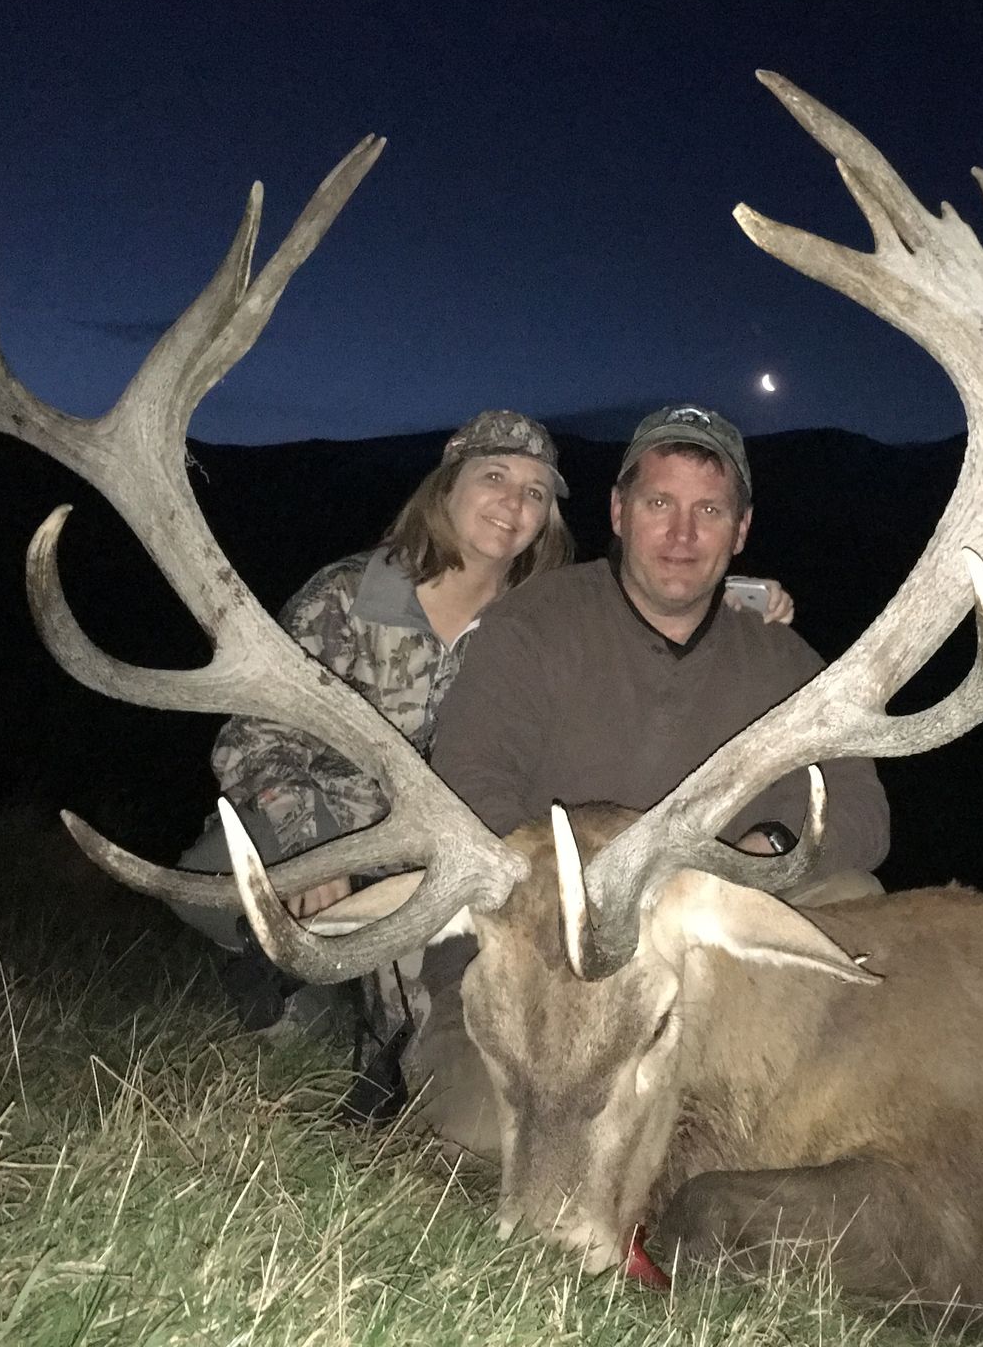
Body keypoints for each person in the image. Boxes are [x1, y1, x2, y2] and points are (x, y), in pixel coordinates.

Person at [171, 409, 794, 1110]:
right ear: (447, 485)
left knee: (415, 1013)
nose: (513, 504)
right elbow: (256, 738)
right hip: (327, 826)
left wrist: (744, 598)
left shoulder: (535, 617)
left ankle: (353, 1007)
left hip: (444, 855)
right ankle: (289, 987)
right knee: (210, 878)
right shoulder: (345, 597)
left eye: (534, 492)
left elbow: (646, 593)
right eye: (494, 477)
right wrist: (321, 841)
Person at [412, 403, 891, 1150]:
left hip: (701, 949)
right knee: (484, 1131)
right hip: (542, 946)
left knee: (855, 900)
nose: (681, 533)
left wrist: (768, 844)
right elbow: (470, 788)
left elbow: (863, 813)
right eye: (659, 503)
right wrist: (584, 891)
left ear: (740, 532)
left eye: (709, 511)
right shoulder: (533, 623)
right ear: (619, 511)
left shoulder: (785, 661)